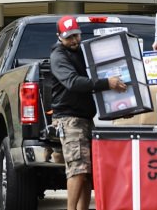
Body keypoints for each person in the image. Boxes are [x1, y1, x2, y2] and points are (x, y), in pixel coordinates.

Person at [50, 15, 127, 210]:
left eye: (76, 35)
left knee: (88, 173)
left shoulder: (82, 52)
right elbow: (73, 82)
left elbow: (99, 71)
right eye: (69, 37)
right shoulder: (59, 56)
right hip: (69, 120)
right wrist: (106, 83)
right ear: (59, 37)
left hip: (85, 119)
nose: (74, 40)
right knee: (78, 169)